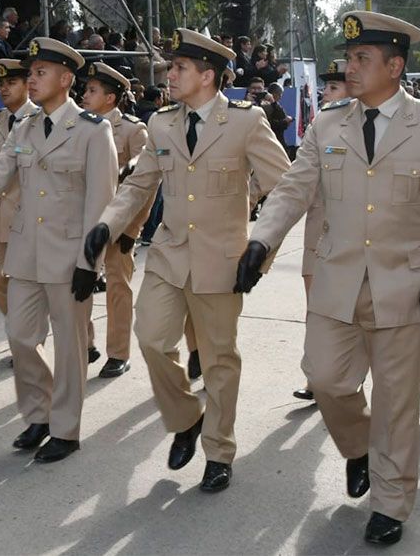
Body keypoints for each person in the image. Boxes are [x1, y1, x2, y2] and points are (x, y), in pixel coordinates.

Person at [237, 10, 420, 545]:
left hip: (409, 288)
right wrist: (260, 240)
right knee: (328, 379)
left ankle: (391, 502)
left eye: (362, 59)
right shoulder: (329, 123)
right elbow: (291, 190)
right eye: (349, 58)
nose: (349, 68)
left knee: (397, 402)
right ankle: (358, 449)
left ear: (395, 66)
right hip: (337, 283)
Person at [85, 29, 290, 490]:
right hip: (170, 254)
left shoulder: (246, 121)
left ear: (207, 75)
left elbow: (286, 186)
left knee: (218, 361)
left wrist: (261, 248)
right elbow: (140, 185)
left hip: (222, 261)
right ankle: (185, 418)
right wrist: (107, 224)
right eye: (170, 67)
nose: (169, 75)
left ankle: (219, 451)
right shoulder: (161, 123)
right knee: (153, 339)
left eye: (179, 68)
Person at [0, 37, 117, 463]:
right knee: (20, 337)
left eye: (40, 73)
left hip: (68, 256)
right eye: (31, 73)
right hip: (25, 252)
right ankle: (38, 413)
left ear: (65, 79)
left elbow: (101, 201)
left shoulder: (95, 130)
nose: (32, 80)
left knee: (70, 347)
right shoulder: (23, 128)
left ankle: (65, 429)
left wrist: (89, 263)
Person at [78, 62, 149, 379]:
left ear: (110, 97)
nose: (84, 95)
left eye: (92, 91)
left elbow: (147, 184)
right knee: (77, 287)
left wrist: (133, 228)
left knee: (118, 288)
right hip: (82, 223)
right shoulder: (78, 126)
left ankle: (118, 353)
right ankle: (86, 344)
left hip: (119, 226)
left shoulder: (133, 130)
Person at [291, 58, 349, 401]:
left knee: (350, 318)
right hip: (318, 235)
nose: (325, 93)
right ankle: (314, 379)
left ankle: (346, 380)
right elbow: (298, 183)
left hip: (352, 240)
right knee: (316, 312)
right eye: (325, 87)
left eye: (333, 86)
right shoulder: (318, 129)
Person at [0, 58, 40, 324]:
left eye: (11, 83)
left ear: (28, 85)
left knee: (43, 282)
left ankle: (86, 342)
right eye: (1, 84)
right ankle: (20, 324)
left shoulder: (42, 119)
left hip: (32, 213)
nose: (4, 89)